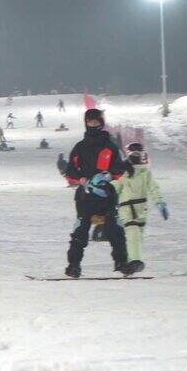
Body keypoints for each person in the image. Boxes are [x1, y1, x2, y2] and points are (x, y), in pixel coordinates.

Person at [64, 108, 130, 278]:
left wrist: (109, 175)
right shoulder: (80, 147)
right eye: (90, 122)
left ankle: (122, 263)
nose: (93, 124)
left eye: (96, 121)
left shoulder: (110, 146)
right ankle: (73, 265)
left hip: (106, 196)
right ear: (86, 123)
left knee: (115, 229)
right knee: (80, 231)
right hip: (85, 197)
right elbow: (70, 169)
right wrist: (80, 179)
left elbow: (119, 168)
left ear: (101, 122)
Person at [111, 143, 168, 274]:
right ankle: (135, 261)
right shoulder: (124, 172)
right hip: (127, 207)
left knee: (138, 236)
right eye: (133, 154)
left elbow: (153, 188)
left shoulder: (145, 172)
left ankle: (130, 263)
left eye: (138, 154)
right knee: (133, 232)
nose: (136, 157)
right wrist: (105, 188)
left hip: (142, 209)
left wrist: (160, 202)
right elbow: (116, 185)